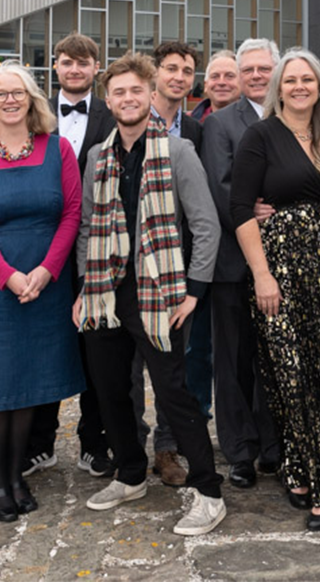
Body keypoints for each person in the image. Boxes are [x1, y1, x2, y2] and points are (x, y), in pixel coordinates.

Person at [74, 52, 227, 536]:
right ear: (108, 99)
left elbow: (205, 225)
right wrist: (83, 287)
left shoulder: (178, 151)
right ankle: (130, 473)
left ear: (150, 95)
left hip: (160, 294)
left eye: (135, 90)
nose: (127, 98)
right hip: (104, 290)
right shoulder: (99, 156)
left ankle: (208, 492)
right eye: (118, 92)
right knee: (111, 389)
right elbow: (85, 227)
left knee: (174, 393)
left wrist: (193, 292)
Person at [230, 47, 320, 530]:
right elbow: (241, 208)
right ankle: (304, 469)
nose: (300, 87)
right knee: (292, 377)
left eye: (308, 80)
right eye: (291, 81)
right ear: (278, 88)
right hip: (279, 272)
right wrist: (263, 275)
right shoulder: (260, 136)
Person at [0, 62, 85, 523]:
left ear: (32, 99)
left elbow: (71, 213)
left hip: (46, 282)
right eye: (0, 94)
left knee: (29, 381)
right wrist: (8, 276)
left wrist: (47, 270)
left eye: (18, 93)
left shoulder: (59, 150)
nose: (9, 100)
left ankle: (19, 473)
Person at [200, 38, 282, 490]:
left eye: (262, 68)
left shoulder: (290, 114)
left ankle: (274, 445)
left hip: (285, 259)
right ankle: (239, 452)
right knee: (231, 361)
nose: (254, 75)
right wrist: (252, 208)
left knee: (273, 356)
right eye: (246, 68)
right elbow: (222, 184)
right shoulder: (221, 124)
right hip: (232, 261)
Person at [39, 33, 117, 480]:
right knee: (46, 343)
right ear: (55, 66)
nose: (74, 70)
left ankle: (94, 442)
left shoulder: (110, 114)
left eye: (83, 63)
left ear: (95, 67)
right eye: (66, 62)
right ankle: (40, 441)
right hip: (42, 244)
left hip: (96, 243)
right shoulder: (35, 111)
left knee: (96, 350)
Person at [147, 40, 206, 486]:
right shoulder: (120, 120)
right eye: (172, 68)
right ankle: (129, 443)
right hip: (129, 259)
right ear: (155, 73)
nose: (180, 77)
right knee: (130, 366)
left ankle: (167, 448)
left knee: (174, 362)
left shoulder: (199, 131)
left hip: (178, 262)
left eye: (187, 71)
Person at [192, 50, 239, 121]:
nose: (221, 82)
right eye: (215, 76)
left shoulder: (257, 122)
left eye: (229, 76)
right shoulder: (187, 125)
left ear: (241, 83)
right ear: (206, 85)